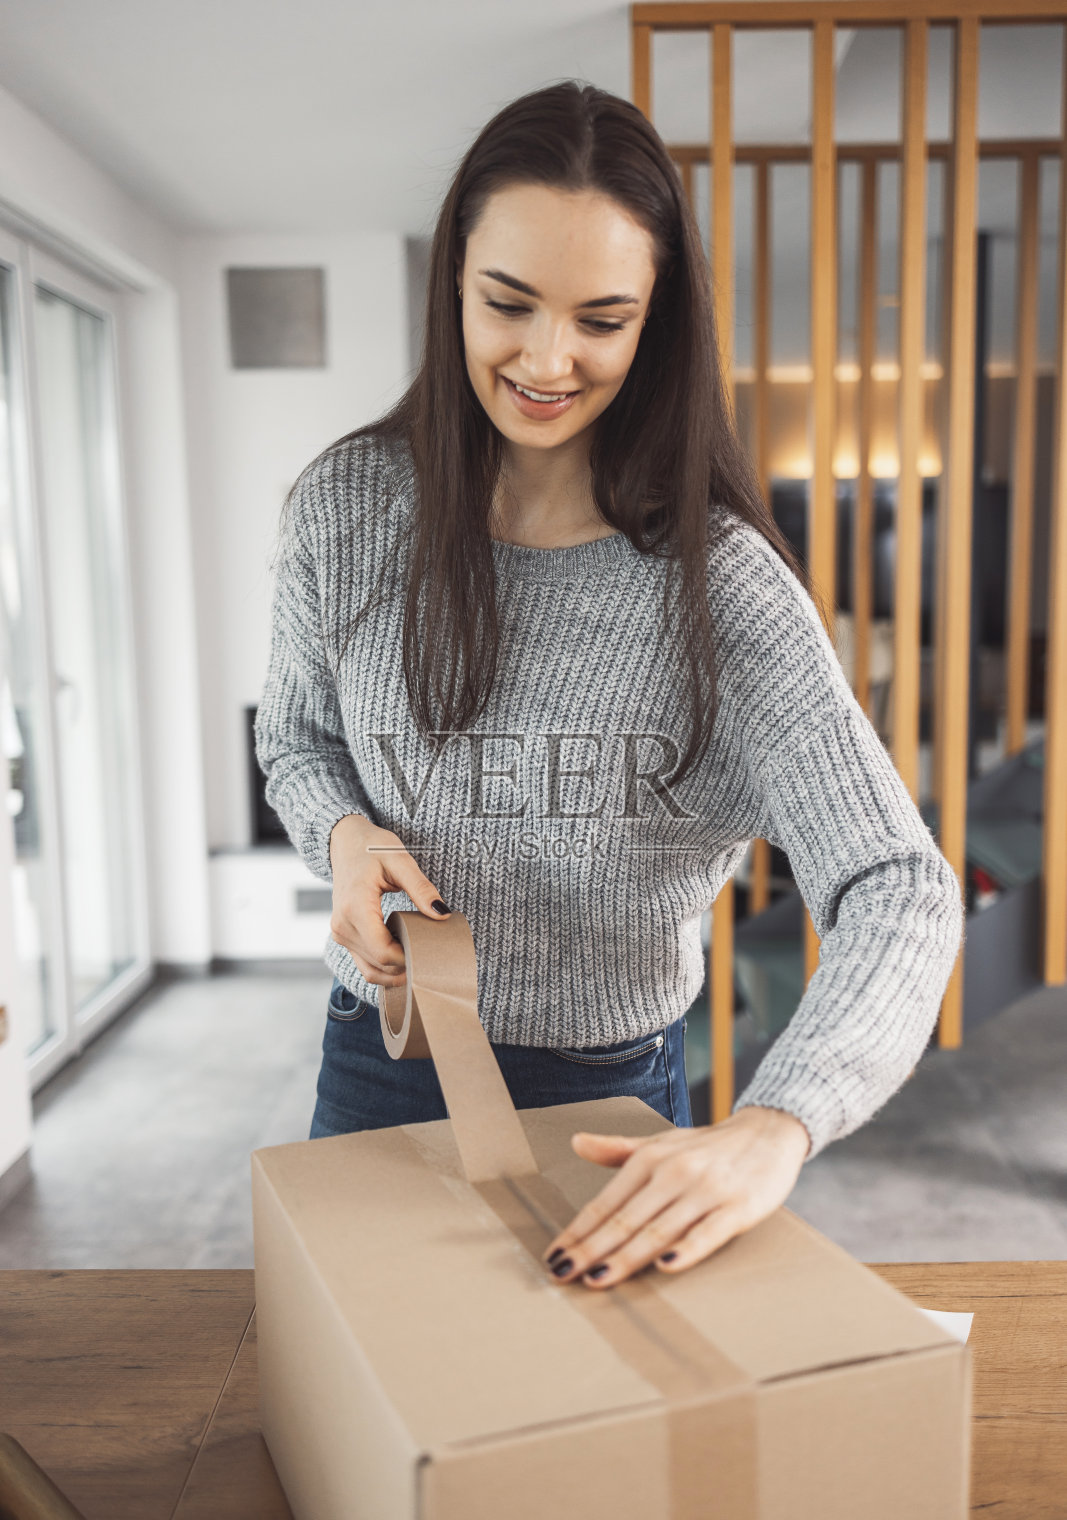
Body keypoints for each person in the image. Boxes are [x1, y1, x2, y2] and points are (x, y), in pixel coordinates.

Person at [254, 80, 963, 1292]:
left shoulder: (723, 595)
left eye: (600, 318)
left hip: (603, 1101)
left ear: (654, 325)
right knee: (357, 1426)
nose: (545, 358)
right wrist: (344, 833)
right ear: (454, 290)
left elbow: (900, 884)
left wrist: (772, 1123)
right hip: (377, 1058)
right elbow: (298, 737)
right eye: (507, 304)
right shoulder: (347, 507)